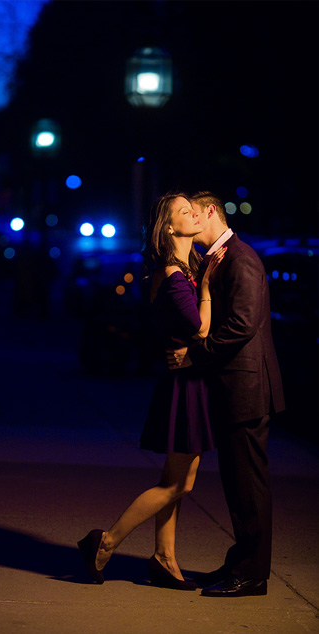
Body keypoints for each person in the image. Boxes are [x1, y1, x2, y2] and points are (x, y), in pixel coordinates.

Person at [77, 191, 225, 589]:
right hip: (185, 386)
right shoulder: (175, 274)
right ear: (169, 227)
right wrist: (208, 283)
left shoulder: (183, 267)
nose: (193, 214)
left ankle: (164, 558)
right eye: (183, 212)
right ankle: (105, 542)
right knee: (178, 483)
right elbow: (199, 328)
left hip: (188, 380)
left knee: (177, 478)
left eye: (192, 209)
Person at [167, 191, 285, 598]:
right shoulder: (221, 258)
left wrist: (194, 354)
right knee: (238, 484)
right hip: (235, 387)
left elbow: (241, 325)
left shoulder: (241, 258)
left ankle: (252, 574)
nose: (192, 221)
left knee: (249, 485)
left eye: (193, 213)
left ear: (211, 211)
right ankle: (241, 561)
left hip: (247, 389)